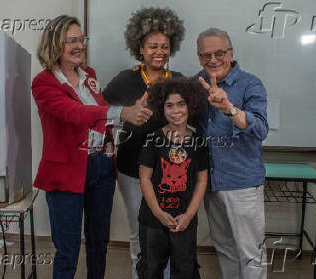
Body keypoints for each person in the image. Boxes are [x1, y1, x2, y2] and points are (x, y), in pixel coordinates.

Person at [31, 15, 153, 279]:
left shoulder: (90, 76)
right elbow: (76, 113)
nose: (79, 45)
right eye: (71, 40)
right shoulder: (44, 82)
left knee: (99, 243)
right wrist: (122, 113)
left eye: (82, 39)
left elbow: (99, 112)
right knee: (68, 249)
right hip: (66, 173)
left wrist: (134, 76)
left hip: (102, 167)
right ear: (54, 44)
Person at [102, 7, 185, 278]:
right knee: (140, 231)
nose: (159, 51)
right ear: (140, 47)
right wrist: (121, 121)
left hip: (171, 172)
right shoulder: (125, 79)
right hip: (131, 170)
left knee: (169, 229)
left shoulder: (181, 81)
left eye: (164, 46)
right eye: (152, 46)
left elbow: (194, 123)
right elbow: (99, 113)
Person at [196, 28, 269, 279]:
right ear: (199, 57)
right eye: (206, 55)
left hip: (242, 182)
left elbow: (260, 130)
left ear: (231, 53)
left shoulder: (251, 83)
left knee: (251, 253)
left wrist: (228, 107)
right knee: (224, 248)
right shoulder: (197, 84)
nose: (213, 60)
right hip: (211, 183)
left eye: (219, 53)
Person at [137, 77, 208, 279]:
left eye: (181, 104)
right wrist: (159, 213)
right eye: (169, 105)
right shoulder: (152, 139)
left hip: (184, 220)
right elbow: (145, 179)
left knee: (185, 269)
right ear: (161, 108)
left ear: (190, 106)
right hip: (153, 220)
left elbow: (202, 181)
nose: (176, 111)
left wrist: (189, 215)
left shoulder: (199, 142)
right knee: (151, 268)